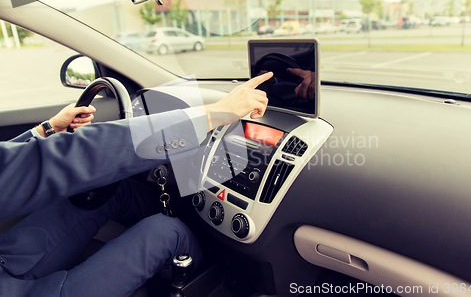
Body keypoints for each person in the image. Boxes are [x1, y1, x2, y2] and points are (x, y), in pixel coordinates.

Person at [0, 72, 273, 297]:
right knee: (167, 231)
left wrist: (45, 130)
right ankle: (217, 282)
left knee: (111, 192)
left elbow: (8, 166)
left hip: (6, 258)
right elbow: (60, 161)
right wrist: (210, 115)